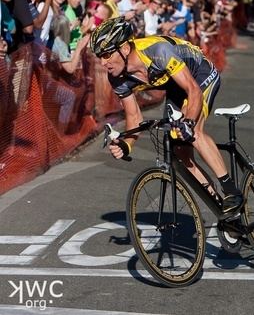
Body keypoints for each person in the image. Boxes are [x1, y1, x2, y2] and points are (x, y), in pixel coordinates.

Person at [89, 17, 243, 216]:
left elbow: (193, 90)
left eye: (107, 54)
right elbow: (133, 114)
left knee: (192, 130)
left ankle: (231, 191)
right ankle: (223, 210)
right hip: (175, 87)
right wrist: (126, 144)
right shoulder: (116, 77)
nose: (103, 62)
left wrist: (188, 121)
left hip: (199, 76)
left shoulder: (157, 52)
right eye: (100, 56)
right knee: (180, 152)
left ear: (125, 48)